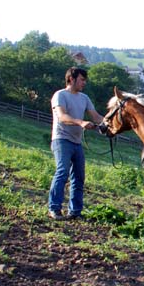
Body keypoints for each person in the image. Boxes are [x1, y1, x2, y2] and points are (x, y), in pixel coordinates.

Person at [47, 67, 103, 221]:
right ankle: (54, 208)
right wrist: (81, 122)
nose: (84, 83)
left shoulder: (84, 98)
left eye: (85, 80)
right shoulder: (60, 95)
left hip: (76, 142)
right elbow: (62, 116)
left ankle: (75, 212)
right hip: (61, 139)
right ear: (71, 79)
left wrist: (110, 124)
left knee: (79, 177)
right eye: (82, 80)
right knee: (62, 171)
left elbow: (96, 116)